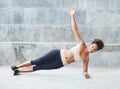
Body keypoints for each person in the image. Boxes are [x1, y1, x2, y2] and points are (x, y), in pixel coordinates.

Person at [11, 7, 104, 79]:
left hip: (59, 63)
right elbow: (75, 30)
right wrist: (72, 15)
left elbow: (84, 71)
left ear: (95, 51)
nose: (92, 49)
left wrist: (86, 74)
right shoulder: (82, 43)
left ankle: (18, 71)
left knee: (39, 67)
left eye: (94, 49)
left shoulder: (86, 59)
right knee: (37, 61)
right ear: (91, 44)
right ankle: (16, 66)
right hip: (57, 53)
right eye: (92, 46)